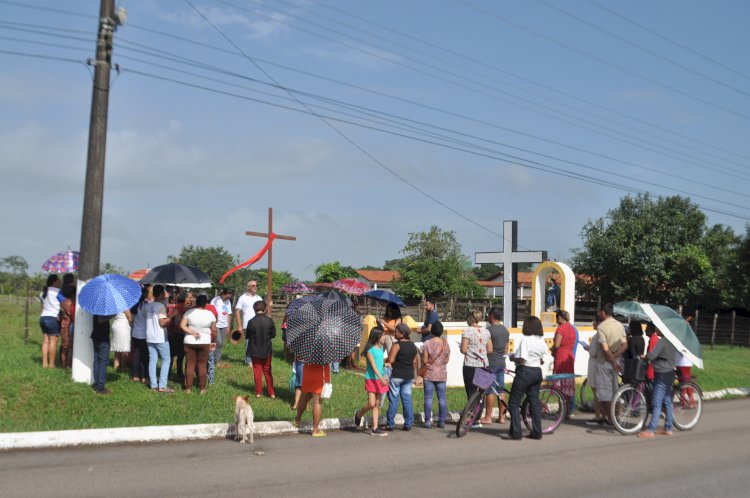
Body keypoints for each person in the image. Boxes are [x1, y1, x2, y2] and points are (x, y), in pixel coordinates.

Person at [507, 316, 549, 440]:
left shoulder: (525, 340)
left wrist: (512, 357)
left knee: (514, 403)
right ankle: (537, 432)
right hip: (537, 372)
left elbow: (522, 359)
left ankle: (516, 433)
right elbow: (542, 360)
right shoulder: (541, 341)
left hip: (525, 372)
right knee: (534, 402)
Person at [638, 328, 678, 438]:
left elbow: (652, 355)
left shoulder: (663, 341)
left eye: (658, 328)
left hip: (661, 374)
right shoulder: (673, 341)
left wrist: (645, 356)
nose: (655, 330)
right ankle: (668, 428)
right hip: (670, 372)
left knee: (656, 401)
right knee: (667, 400)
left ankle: (651, 429)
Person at [595, 303, 627, 425]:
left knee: (604, 394)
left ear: (603, 312)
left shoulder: (601, 327)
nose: (598, 314)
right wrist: (615, 358)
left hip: (604, 363)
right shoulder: (620, 325)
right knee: (615, 391)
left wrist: (612, 359)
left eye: (599, 312)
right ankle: (617, 418)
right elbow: (625, 345)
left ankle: (611, 419)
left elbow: (605, 348)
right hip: (616, 363)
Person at [354, 327, 389, 436]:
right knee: (371, 403)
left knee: (377, 404)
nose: (385, 337)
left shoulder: (381, 349)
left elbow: (379, 364)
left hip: (380, 378)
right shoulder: (369, 350)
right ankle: (359, 414)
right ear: (378, 337)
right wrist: (381, 378)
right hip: (371, 378)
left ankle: (375, 427)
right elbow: (373, 366)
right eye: (383, 335)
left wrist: (385, 365)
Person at [180, 294, 217, 394]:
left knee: (190, 364)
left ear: (196, 302)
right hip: (205, 341)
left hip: (189, 341)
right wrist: (213, 341)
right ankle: (202, 388)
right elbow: (214, 330)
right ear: (206, 303)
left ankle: (188, 388)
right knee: (202, 365)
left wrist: (192, 332)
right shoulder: (210, 314)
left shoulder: (189, 312)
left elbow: (182, 325)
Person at [385, 323, 419, 431]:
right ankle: (408, 423)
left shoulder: (397, 345)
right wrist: (410, 371)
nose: (395, 333)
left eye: (397, 332)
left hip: (396, 375)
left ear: (402, 334)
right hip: (408, 376)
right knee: (407, 400)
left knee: (394, 400)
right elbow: (414, 362)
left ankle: (390, 424)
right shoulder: (413, 345)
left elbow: (391, 360)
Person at [481, 307, 509, 425]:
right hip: (501, 362)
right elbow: (506, 349)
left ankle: (488, 417)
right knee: (501, 389)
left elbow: (488, 349)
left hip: (491, 362)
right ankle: (502, 417)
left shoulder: (488, 330)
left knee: (490, 390)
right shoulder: (505, 330)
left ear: (492, 316)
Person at [145, 285, 176, 393]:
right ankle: (162, 386)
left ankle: (153, 385)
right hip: (160, 337)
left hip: (149, 336)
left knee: (152, 360)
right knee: (166, 359)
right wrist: (172, 316)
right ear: (162, 294)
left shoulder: (148, 305)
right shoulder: (161, 306)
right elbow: (162, 322)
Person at [421, 321, 450, 429]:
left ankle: (428, 421)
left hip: (429, 374)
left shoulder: (427, 343)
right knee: (442, 398)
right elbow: (447, 360)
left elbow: (424, 361)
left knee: (428, 398)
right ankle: (441, 421)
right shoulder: (445, 343)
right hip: (442, 374)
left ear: (431, 331)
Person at [459, 310, 493, 400]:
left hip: (470, 365)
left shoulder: (467, 331)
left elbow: (463, 349)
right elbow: (490, 349)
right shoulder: (486, 331)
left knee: (471, 392)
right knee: (481, 393)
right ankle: (480, 411)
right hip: (484, 365)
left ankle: (472, 412)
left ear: (470, 319)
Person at [246, 300, 276, 398]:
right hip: (267, 349)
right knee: (267, 371)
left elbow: (247, 336)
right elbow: (273, 335)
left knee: (257, 371)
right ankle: (271, 393)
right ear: (265, 309)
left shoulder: (251, 321)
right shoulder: (270, 321)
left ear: (254, 309)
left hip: (255, 349)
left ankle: (258, 392)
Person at [294, 362, 330, 437]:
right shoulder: (325, 350)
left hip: (307, 370)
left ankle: (297, 419)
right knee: (318, 401)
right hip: (320, 373)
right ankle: (315, 429)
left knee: (305, 396)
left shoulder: (308, 350)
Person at [552, 310, 577, 417]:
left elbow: (557, 345)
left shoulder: (561, 328)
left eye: (557, 318)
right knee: (568, 382)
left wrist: (552, 349)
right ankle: (567, 411)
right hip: (569, 356)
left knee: (560, 382)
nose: (557, 321)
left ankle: (561, 410)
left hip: (561, 356)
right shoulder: (572, 329)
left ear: (560, 318)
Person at [584, 317, 607, 426]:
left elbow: (593, 352)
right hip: (600, 364)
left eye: (594, 322)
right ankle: (603, 415)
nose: (593, 323)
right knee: (600, 393)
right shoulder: (603, 335)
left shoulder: (597, 336)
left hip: (595, 365)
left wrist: (587, 348)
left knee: (596, 393)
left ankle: (599, 416)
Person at [235, 280, 263, 367]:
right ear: (248, 287)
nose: (255, 287)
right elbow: (237, 311)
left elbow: (262, 310)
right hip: (247, 324)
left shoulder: (259, 298)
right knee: (248, 343)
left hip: (258, 324)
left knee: (258, 342)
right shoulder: (242, 298)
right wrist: (239, 325)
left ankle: (256, 359)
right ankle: (249, 361)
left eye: (256, 285)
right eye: (253, 285)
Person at [130, 285, 152, 385]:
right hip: (144, 334)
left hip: (135, 333)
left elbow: (133, 319)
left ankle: (135, 376)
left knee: (136, 355)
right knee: (144, 356)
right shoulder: (146, 306)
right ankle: (144, 377)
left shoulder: (135, 306)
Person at [168, 292, 192, 380]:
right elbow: (169, 317)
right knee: (172, 355)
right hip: (176, 333)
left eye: (191, 297)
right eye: (189, 297)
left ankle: (179, 373)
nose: (191, 299)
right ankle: (168, 373)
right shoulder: (178, 307)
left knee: (181, 355)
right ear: (184, 298)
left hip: (184, 334)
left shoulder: (189, 308)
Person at [39, 274, 61, 368]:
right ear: (54, 282)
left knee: (45, 341)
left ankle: (44, 363)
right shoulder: (58, 292)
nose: (60, 283)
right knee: (53, 342)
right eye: (58, 281)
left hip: (43, 317)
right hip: (53, 318)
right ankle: (51, 364)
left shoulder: (42, 293)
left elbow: (42, 307)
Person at [210, 289, 233, 366]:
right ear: (224, 294)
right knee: (217, 342)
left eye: (230, 294)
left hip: (224, 325)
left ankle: (217, 360)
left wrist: (228, 326)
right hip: (216, 324)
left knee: (221, 343)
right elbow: (211, 311)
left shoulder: (228, 302)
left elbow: (229, 314)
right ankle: (212, 359)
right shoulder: (215, 300)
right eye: (229, 293)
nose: (230, 295)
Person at [91, 314, 113, 395]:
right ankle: (100, 388)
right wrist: (112, 316)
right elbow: (100, 320)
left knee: (97, 360)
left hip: (96, 336)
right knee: (103, 362)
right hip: (102, 338)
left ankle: (97, 384)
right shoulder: (101, 311)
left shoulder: (94, 309)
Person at [58, 284, 76, 370]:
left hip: (63, 325)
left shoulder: (62, 302)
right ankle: (69, 365)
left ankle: (63, 365)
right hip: (70, 324)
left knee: (64, 346)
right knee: (70, 347)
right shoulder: (71, 303)